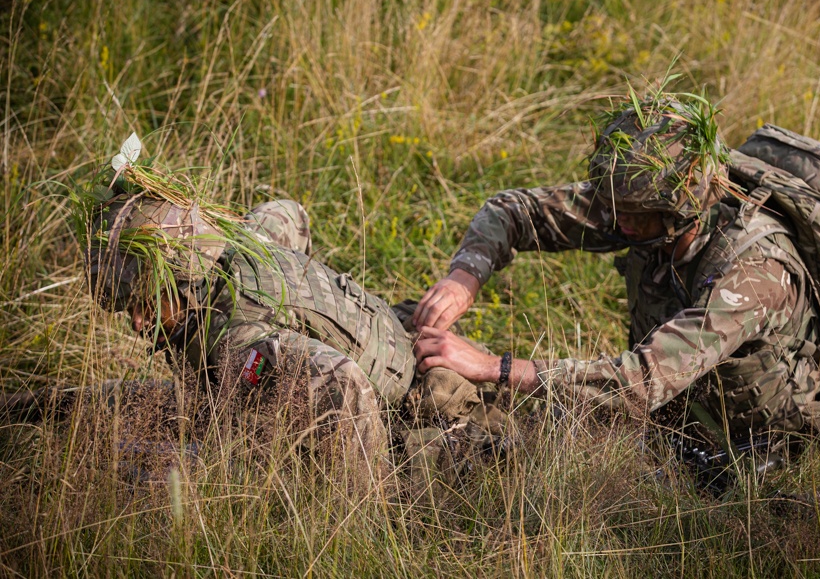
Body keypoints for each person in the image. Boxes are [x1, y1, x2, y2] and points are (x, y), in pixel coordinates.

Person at [411, 95, 820, 465]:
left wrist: (497, 366)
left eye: (631, 216)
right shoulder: (640, 206)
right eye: (612, 205)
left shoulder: (754, 276)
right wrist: (463, 279)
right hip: (680, 416)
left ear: (679, 211)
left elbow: (638, 383)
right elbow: (514, 211)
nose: (613, 220)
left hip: (774, 451)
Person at [4, 139, 502, 491]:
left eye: (145, 304)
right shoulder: (247, 241)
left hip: (413, 418)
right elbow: (289, 211)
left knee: (175, 457)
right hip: (400, 338)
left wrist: (355, 509)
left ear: (182, 279)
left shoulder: (236, 341)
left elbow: (344, 380)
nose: (138, 325)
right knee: (103, 408)